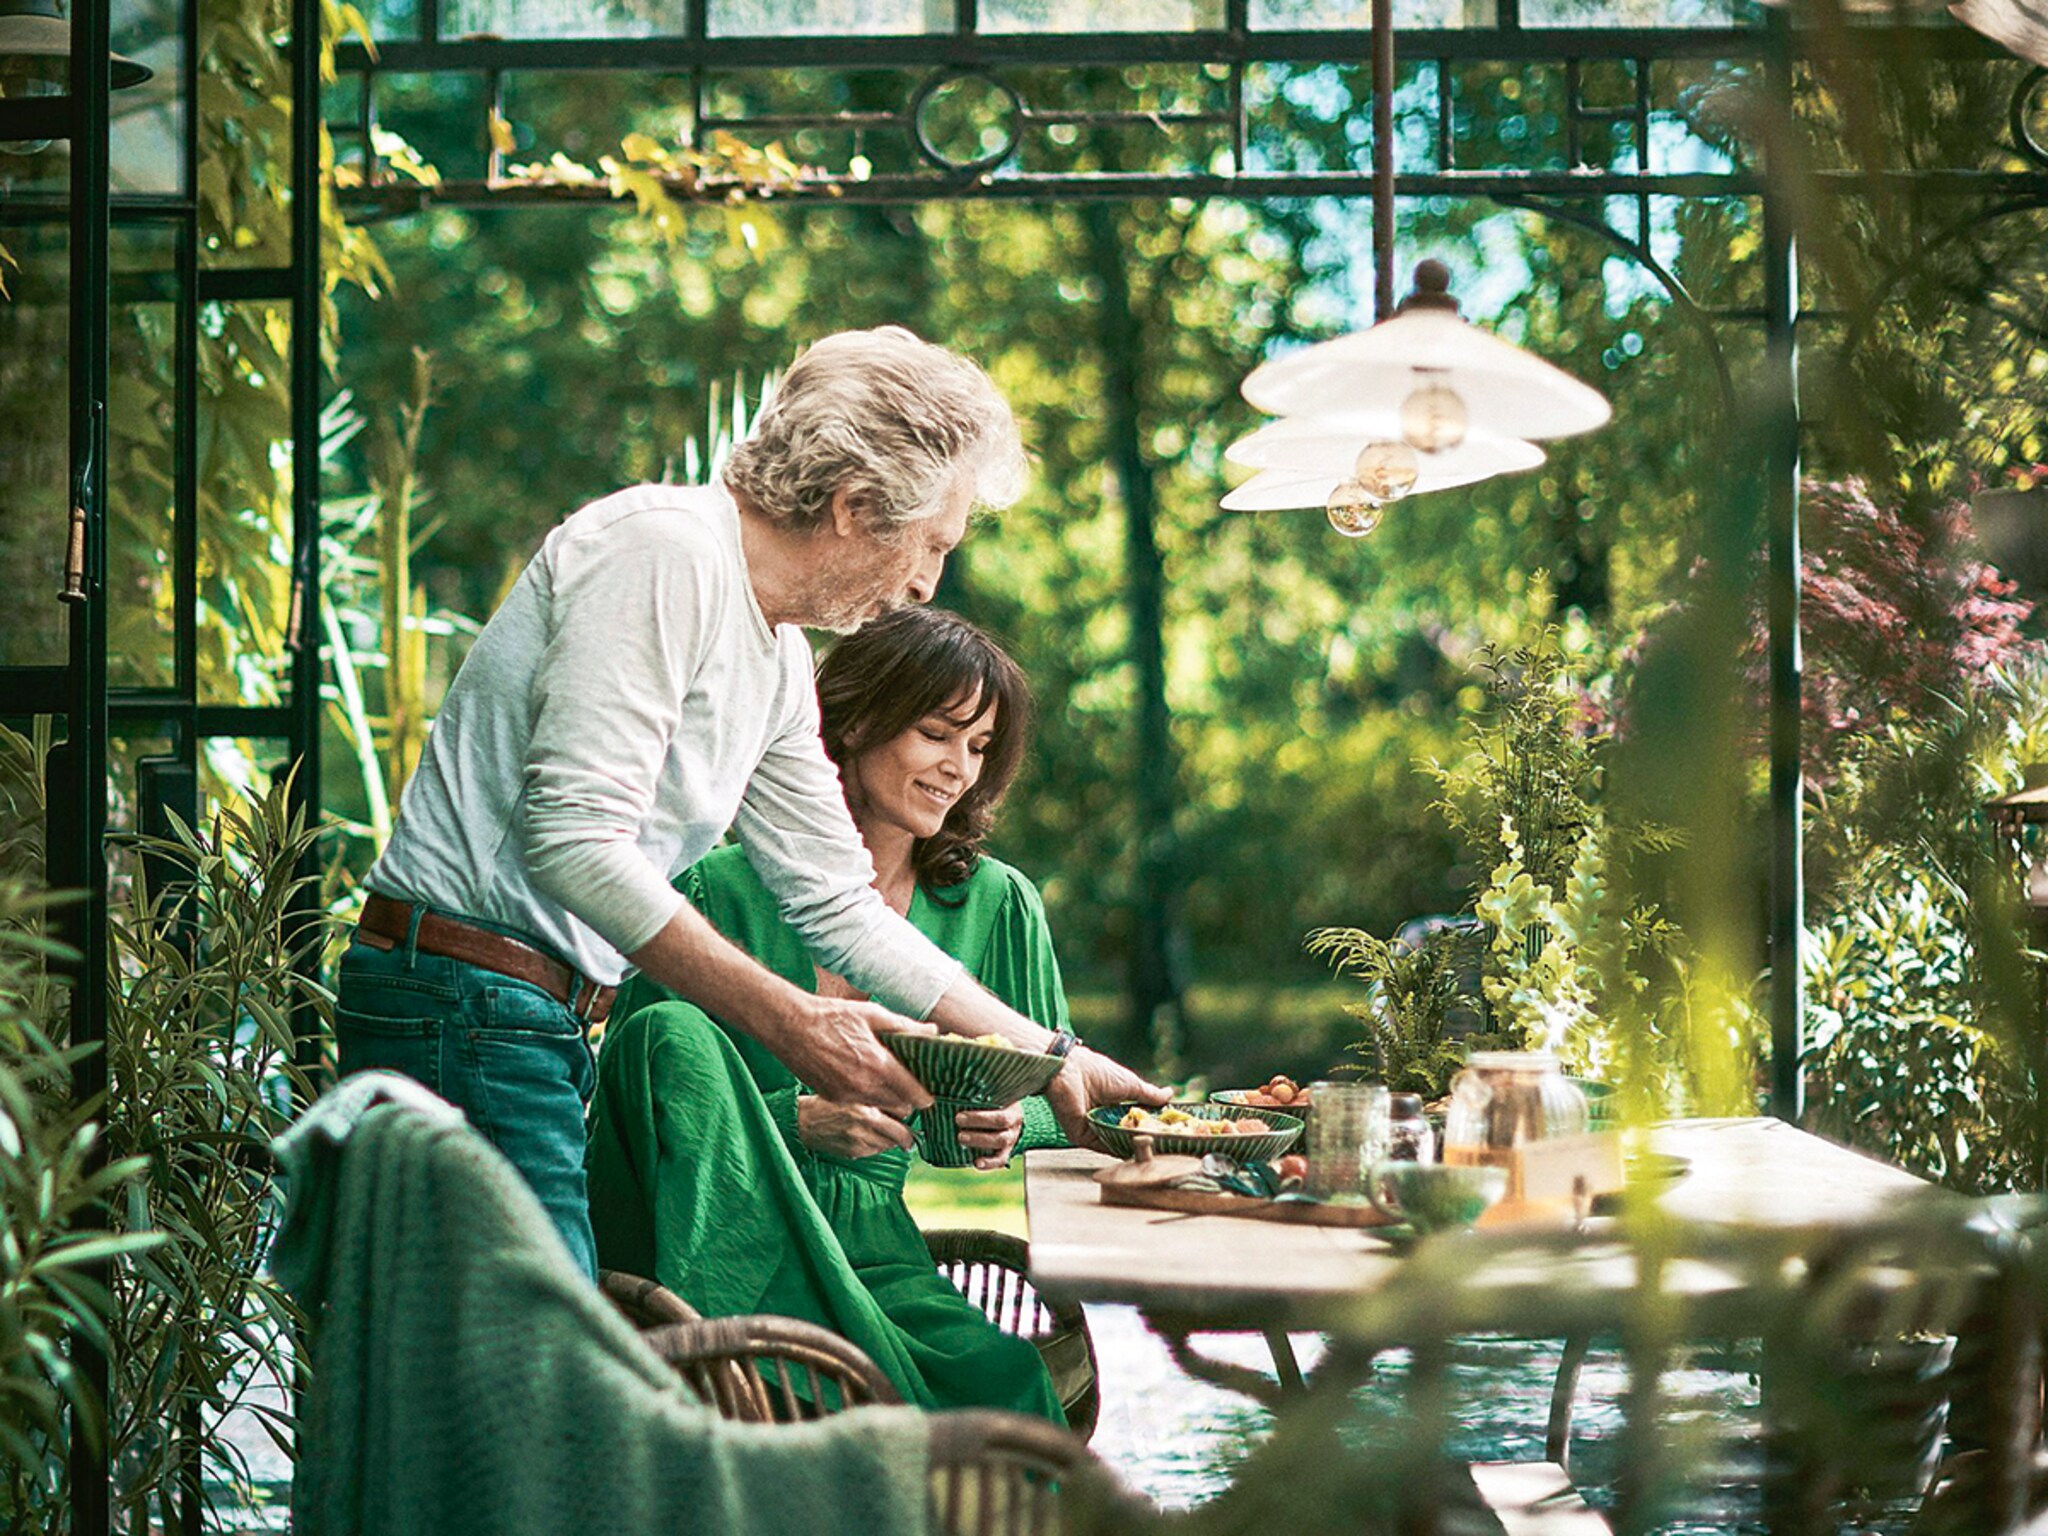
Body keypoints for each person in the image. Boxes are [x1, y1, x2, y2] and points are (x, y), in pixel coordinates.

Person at [333, 327, 1168, 1278]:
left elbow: (840, 904)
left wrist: (1054, 1057)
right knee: (520, 1358)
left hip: (527, 1015)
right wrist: (795, 1023)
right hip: (461, 996)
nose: (926, 583)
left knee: (506, 1354)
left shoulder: (776, 657)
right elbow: (573, 840)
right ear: (856, 505)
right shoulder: (664, 553)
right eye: (932, 544)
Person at [587, 607, 1085, 1421]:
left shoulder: (997, 904)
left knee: (1004, 1381)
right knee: (666, 1030)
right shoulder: (713, 888)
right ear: (854, 723)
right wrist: (792, 1122)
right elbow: (636, 1096)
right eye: (936, 733)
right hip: (715, 1242)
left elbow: (1060, 1102)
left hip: (876, 1252)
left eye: (979, 746)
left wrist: (1007, 1122)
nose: (958, 768)